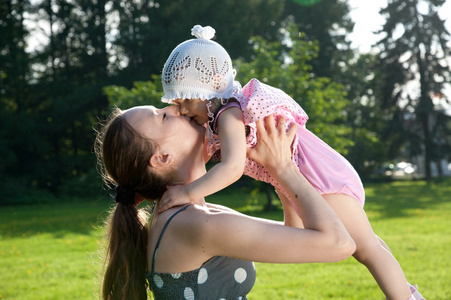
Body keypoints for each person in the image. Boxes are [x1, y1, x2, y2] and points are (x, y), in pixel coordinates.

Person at [158, 25, 425, 300]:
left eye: (189, 99)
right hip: (306, 177)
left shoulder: (229, 113)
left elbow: (233, 168)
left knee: (367, 248)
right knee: (372, 244)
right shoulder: (225, 115)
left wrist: (187, 192)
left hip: (317, 178)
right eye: (178, 102)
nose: (184, 109)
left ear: (214, 85)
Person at [95, 106, 355, 300]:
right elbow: (339, 244)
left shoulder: (193, 215)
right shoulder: (195, 224)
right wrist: (285, 169)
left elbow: (297, 236)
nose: (175, 107)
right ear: (162, 158)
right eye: (162, 116)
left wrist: (277, 170)